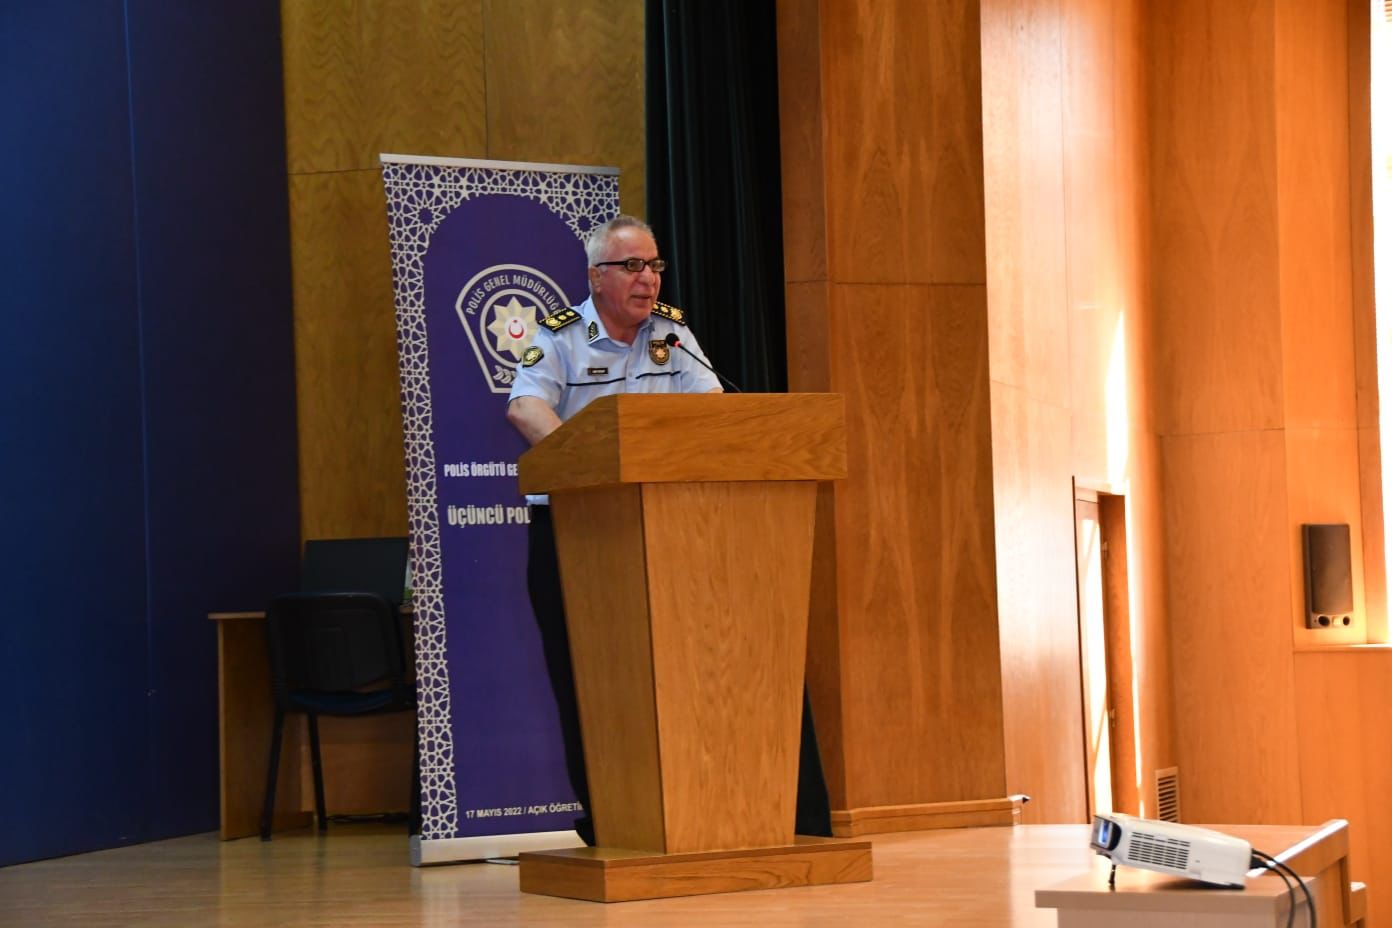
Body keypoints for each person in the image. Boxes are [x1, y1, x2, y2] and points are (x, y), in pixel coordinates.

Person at [506, 215, 721, 844]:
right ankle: (605, 818)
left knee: (667, 674)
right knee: (589, 678)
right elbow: (525, 406)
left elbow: (714, 411)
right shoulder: (559, 336)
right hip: (578, 534)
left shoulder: (672, 335)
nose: (647, 279)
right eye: (631, 266)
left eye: (654, 266)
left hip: (663, 529)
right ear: (596, 277)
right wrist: (593, 465)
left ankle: (682, 809)